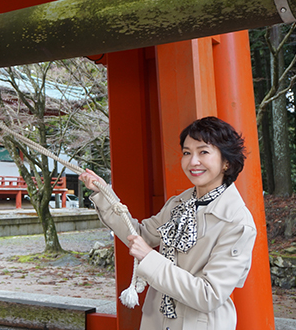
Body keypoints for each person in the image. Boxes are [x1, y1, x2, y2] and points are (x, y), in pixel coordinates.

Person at [80, 116, 256, 330]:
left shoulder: (236, 221)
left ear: (226, 162)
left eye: (203, 152)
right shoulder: (179, 204)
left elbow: (209, 295)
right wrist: (104, 194)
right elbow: (141, 235)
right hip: (157, 321)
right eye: (187, 153)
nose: (193, 162)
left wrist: (150, 258)